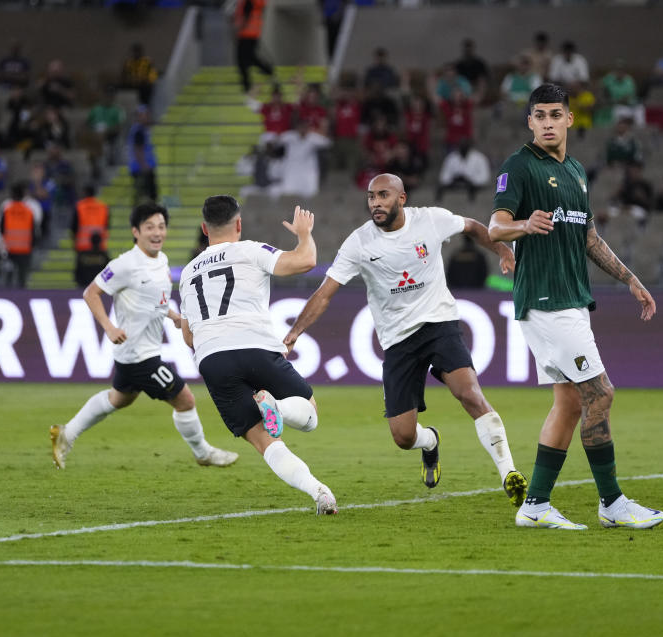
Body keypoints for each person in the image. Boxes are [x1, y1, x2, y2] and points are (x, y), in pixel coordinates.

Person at [283, 173, 527, 505]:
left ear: (401, 198)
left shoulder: (430, 220)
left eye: (383, 195)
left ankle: (509, 473)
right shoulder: (359, 242)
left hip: (439, 324)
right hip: (398, 341)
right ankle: (430, 442)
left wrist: (500, 248)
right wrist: (294, 333)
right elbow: (325, 293)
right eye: (371, 197)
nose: (375, 203)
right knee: (402, 436)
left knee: (469, 393)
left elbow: (470, 226)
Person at [488, 83, 663, 530]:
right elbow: (495, 226)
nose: (547, 122)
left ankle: (534, 506)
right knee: (601, 393)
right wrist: (524, 225)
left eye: (555, 114)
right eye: (539, 115)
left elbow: (588, 237)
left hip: (570, 300)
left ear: (570, 119)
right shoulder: (520, 166)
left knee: (569, 403)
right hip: (547, 301)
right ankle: (612, 502)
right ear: (530, 122)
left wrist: (629, 278)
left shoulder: (577, 173)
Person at [179, 196, 337, 515]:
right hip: (254, 345)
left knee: (264, 442)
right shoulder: (251, 250)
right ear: (238, 224)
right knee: (309, 415)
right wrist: (304, 234)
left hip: (212, 358)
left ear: (203, 229)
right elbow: (304, 261)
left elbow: (188, 337)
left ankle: (319, 492)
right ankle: (275, 405)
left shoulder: (187, 273)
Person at [51, 203, 239, 470]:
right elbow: (91, 293)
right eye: (149, 227)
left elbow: (155, 300)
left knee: (119, 398)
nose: (157, 232)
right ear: (135, 232)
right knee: (185, 399)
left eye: (161, 226)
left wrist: (172, 315)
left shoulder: (161, 260)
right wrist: (109, 327)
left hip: (138, 351)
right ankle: (203, 452)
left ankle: (65, 434)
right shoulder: (125, 264)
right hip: (140, 355)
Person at [233, 0, 274, 95]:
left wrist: (239, 28)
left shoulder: (249, 1)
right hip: (253, 33)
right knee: (250, 57)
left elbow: (246, 15)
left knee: (241, 59)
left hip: (245, 33)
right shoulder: (258, 2)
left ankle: (247, 86)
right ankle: (267, 70)